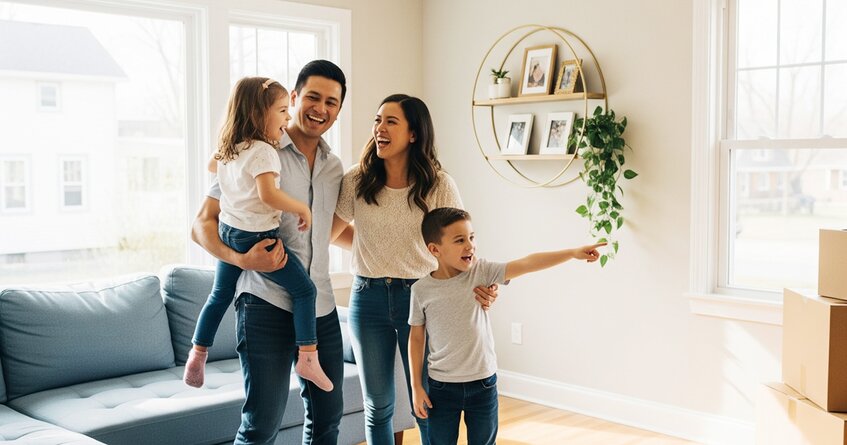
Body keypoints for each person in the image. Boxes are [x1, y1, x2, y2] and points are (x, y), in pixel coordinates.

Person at [191, 60, 347, 444]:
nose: (320, 108)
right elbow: (202, 225)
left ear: (339, 108)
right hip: (265, 305)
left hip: (320, 307)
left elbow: (329, 231)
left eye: (331, 101)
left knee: (327, 421)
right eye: (312, 97)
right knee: (261, 425)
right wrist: (242, 260)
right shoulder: (257, 151)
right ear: (293, 98)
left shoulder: (334, 168)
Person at [331, 94, 499, 445]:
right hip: (368, 297)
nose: (379, 128)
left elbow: (460, 244)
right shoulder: (357, 180)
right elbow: (331, 231)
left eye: (390, 121)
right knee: (377, 405)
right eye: (377, 120)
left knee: (426, 401)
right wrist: (369, 247)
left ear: (413, 134)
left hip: (423, 296)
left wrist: (487, 285)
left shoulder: (438, 184)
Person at [408, 207, 605, 445]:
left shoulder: (482, 271)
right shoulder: (421, 290)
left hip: (483, 383)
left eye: (472, 237)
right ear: (434, 249)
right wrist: (417, 386)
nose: (470, 245)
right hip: (441, 387)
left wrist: (572, 253)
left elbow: (528, 262)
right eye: (460, 240)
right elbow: (416, 338)